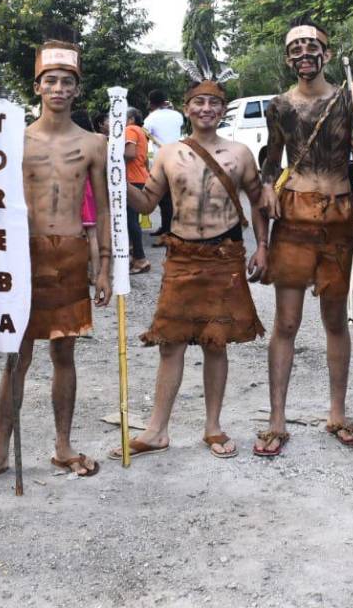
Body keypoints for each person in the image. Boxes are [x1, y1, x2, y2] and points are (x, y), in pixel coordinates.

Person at [0, 39, 111, 488]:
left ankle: (63, 445)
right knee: (15, 355)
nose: (58, 89)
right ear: (37, 86)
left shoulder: (93, 144)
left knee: (64, 353)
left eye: (67, 82)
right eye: (50, 81)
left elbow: (102, 210)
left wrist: (103, 266)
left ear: (77, 89)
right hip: (21, 254)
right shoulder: (12, 140)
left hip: (70, 253)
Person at [113, 59, 267, 460]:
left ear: (223, 110)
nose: (206, 109)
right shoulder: (168, 153)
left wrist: (263, 246)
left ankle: (213, 427)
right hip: (182, 256)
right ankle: (156, 430)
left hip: (225, 255)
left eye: (214, 103)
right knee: (171, 344)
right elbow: (147, 202)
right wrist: (118, 176)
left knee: (216, 343)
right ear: (186, 108)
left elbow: (258, 200)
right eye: (199, 102)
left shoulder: (240, 153)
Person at [256, 18, 353, 457]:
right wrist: (267, 185)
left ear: (327, 54)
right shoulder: (280, 106)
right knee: (286, 322)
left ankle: (337, 412)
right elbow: (271, 156)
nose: (304, 55)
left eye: (311, 47)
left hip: (339, 217)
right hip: (295, 217)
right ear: (287, 59)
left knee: (336, 320)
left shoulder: (350, 99)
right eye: (295, 50)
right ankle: (276, 418)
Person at [144, 88, 184, 240]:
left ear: (151, 102)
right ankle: (170, 227)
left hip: (160, 161)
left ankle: (168, 229)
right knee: (175, 196)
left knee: (164, 198)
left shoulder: (151, 118)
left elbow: (145, 135)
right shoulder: (177, 115)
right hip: (178, 158)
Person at [124, 107, 151, 273]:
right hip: (139, 177)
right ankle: (135, 255)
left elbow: (129, 154)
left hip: (132, 178)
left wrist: (112, 157)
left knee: (130, 220)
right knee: (132, 219)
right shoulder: (141, 131)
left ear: (131, 118)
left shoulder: (130, 129)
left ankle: (140, 259)